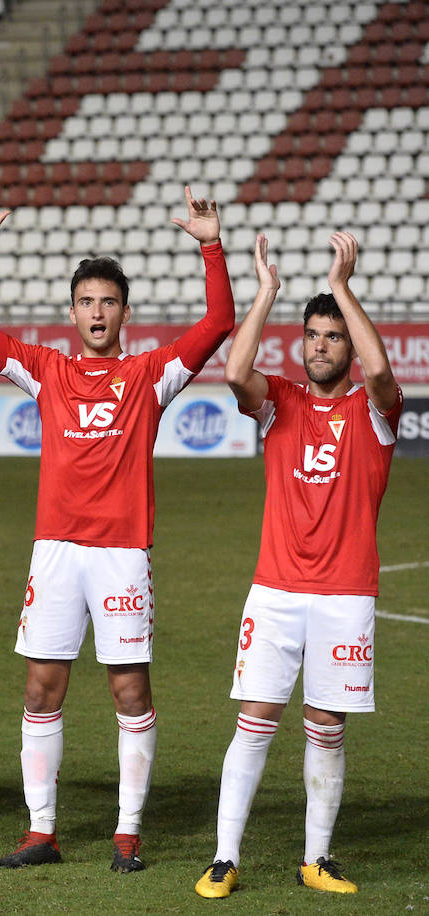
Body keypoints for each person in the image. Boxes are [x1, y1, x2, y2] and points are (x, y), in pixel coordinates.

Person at [0, 186, 235, 872]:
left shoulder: (149, 376)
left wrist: (210, 245)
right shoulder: (47, 371)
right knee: (41, 690)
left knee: (129, 692)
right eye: (86, 301)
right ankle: (40, 833)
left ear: (124, 313)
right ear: (71, 311)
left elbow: (219, 320)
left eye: (108, 302)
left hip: (121, 558)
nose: (97, 312)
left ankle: (127, 834)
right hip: (55, 555)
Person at [194, 231, 401, 899]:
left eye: (333, 335)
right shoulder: (279, 400)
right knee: (254, 719)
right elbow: (231, 372)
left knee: (326, 727)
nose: (320, 344)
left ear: (346, 343)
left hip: (344, 596)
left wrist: (344, 289)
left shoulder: (374, 414)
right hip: (276, 591)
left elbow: (378, 374)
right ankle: (225, 857)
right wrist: (266, 293)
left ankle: (317, 858)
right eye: (313, 334)